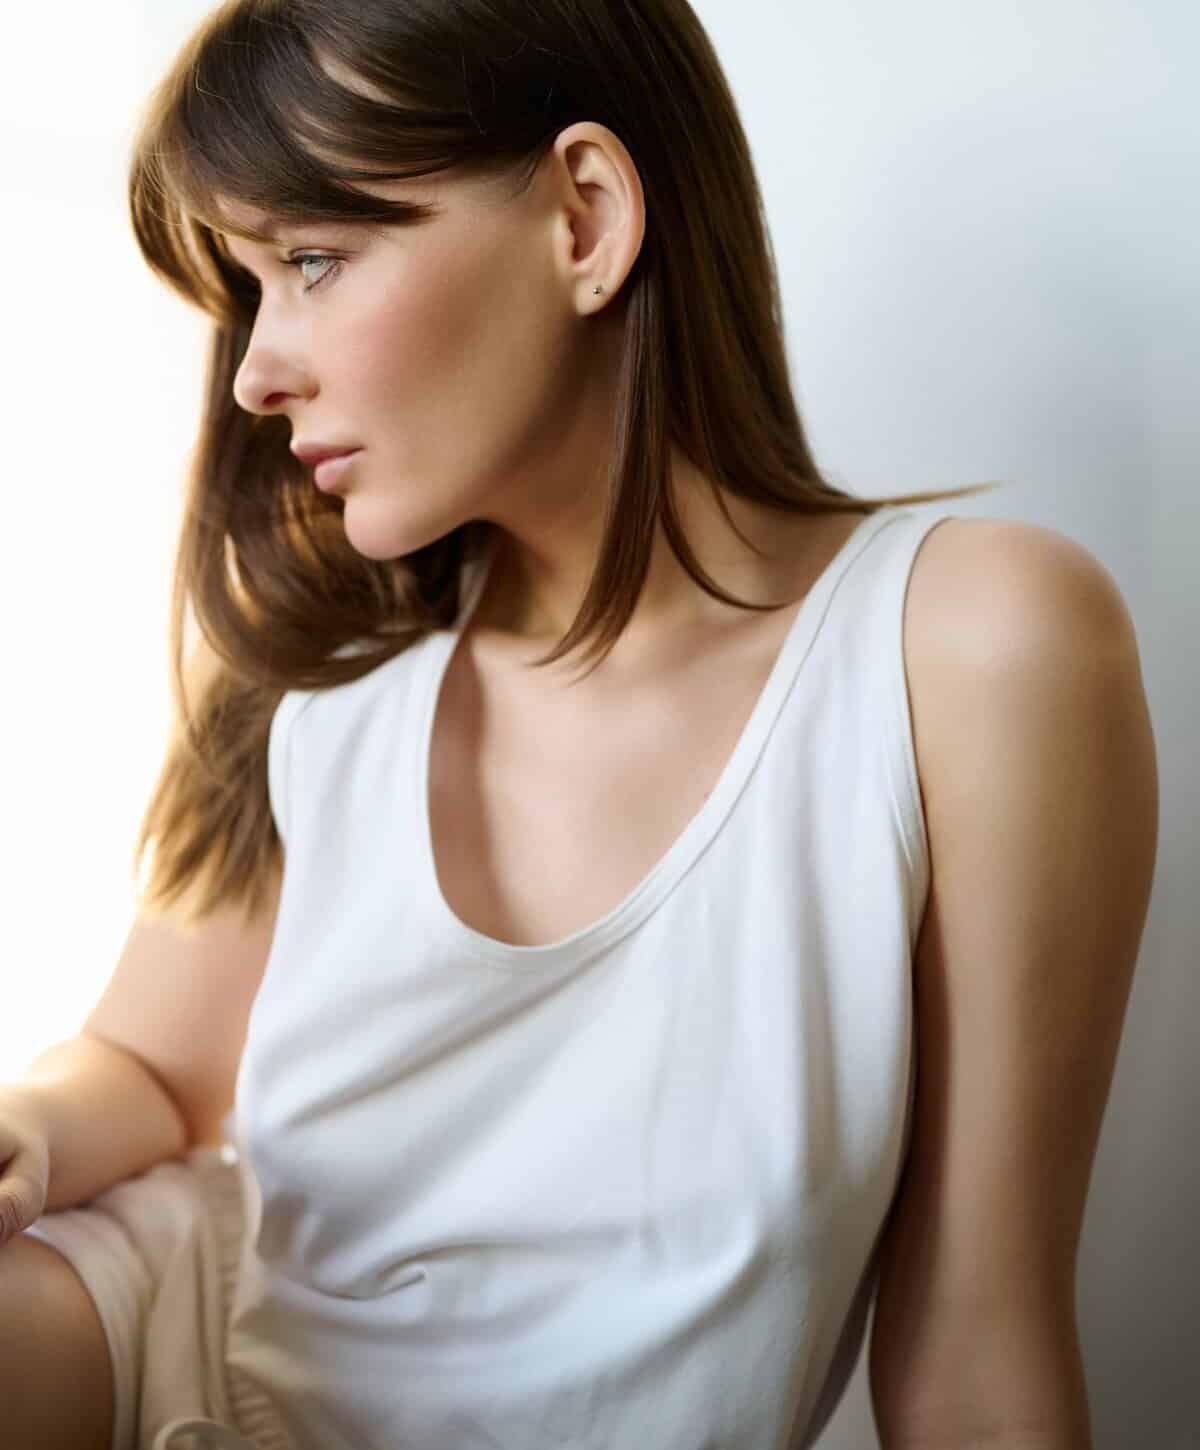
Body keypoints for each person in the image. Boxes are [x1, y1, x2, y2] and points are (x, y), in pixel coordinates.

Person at [0, 1, 1158, 1448]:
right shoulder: (331, 671)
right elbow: (153, 1073)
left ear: (587, 221)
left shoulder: (974, 656)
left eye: (312, 259)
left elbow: (977, 1359)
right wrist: (30, 1128)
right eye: (250, 286)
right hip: (181, 1372)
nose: (253, 372)